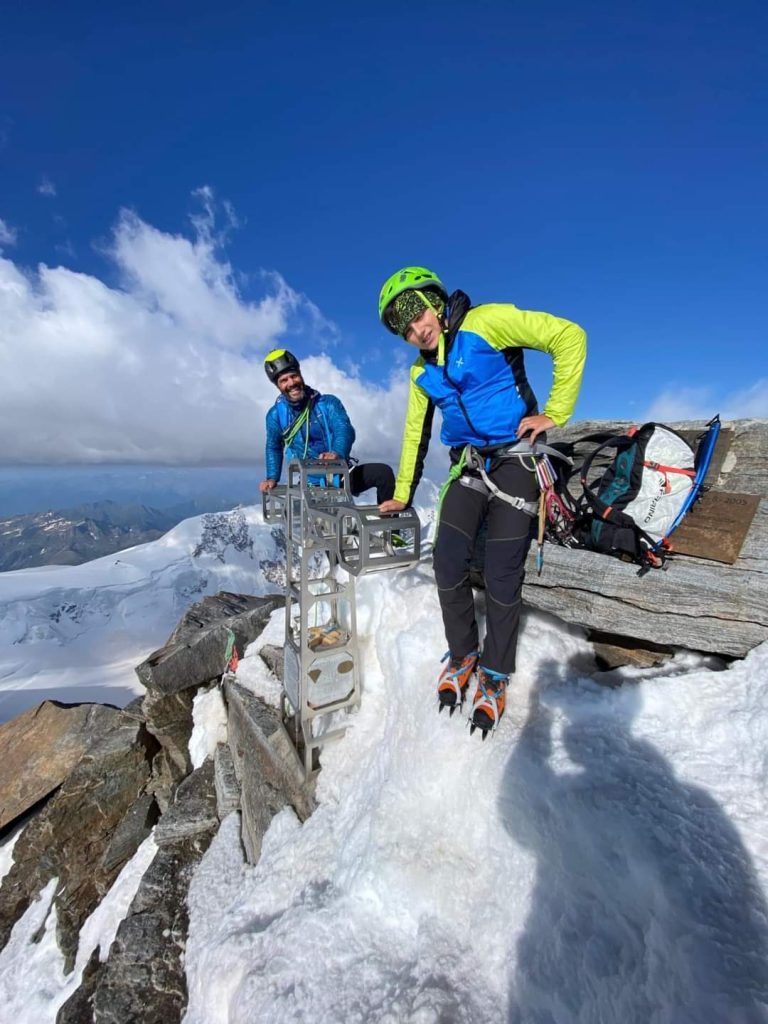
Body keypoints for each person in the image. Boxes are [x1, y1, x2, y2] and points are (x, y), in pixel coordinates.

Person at [377, 266, 586, 736]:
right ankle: (462, 653)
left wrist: (555, 412)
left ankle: (494, 674)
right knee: (447, 561)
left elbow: (568, 336)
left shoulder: (486, 322)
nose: (418, 330)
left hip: (516, 459)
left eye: (418, 315)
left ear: (433, 300)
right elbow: (416, 434)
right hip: (469, 465)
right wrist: (401, 494)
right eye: (405, 329)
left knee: (500, 571)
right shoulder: (420, 372)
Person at [259, 348, 396, 503]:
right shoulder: (276, 415)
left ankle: (390, 526)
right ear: (278, 386)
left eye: (294, 376)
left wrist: (337, 454)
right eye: (284, 380)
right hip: (309, 482)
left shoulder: (327, 403)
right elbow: (274, 446)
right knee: (294, 515)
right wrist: (272, 477)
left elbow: (343, 429)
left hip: (341, 474)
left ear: (300, 375)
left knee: (383, 474)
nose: (291, 383)